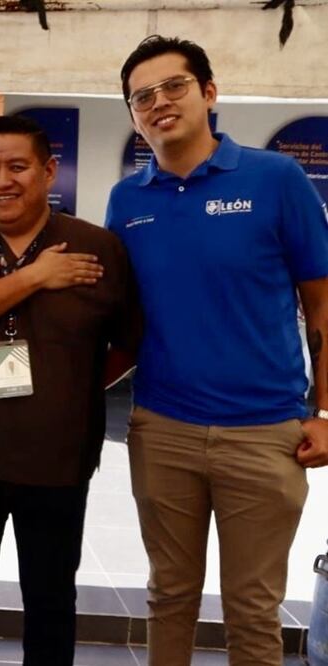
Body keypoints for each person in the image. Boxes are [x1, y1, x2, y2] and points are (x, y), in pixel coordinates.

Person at [106, 35, 328, 666]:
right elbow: (116, 318)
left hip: (266, 434)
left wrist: (325, 412)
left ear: (208, 92)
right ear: (132, 115)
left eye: (173, 86)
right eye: (141, 96)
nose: (158, 103)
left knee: (252, 612)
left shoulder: (276, 179)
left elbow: (322, 304)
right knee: (168, 597)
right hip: (162, 429)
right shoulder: (128, 202)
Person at [0, 114, 134, 665]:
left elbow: (129, 343)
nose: (1, 180)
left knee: (52, 602)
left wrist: (75, 386)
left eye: (17, 166)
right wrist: (33, 277)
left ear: (49, 171)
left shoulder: (95, 247)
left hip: (59, 464)